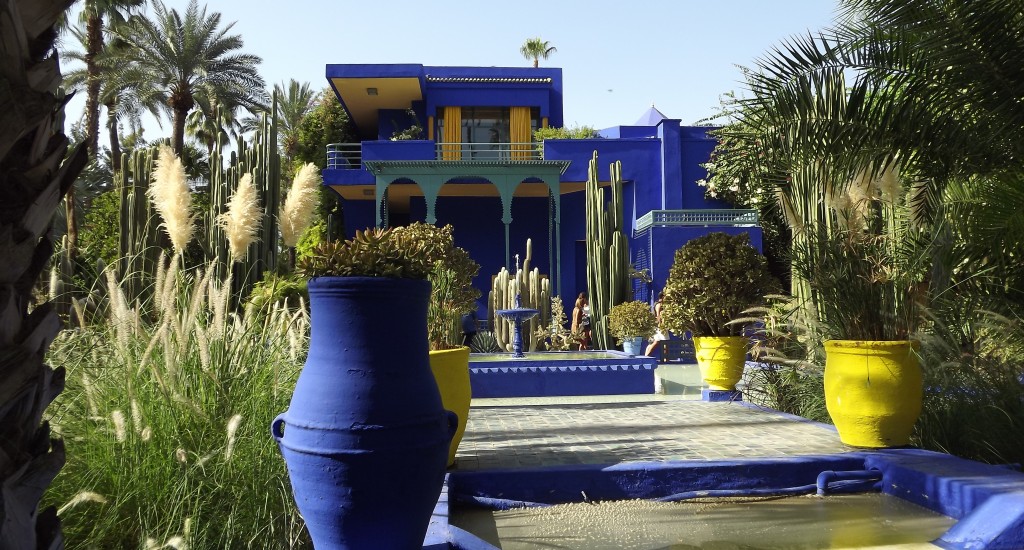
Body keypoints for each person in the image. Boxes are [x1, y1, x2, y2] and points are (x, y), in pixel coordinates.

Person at [645, 292, 668, 358]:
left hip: (658, 326)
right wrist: (661, 326)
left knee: (656, 342)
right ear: (663, 297)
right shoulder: (659, 305)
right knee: (665, 343)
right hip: (660, 326)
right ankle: (666, 359)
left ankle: (646, 356)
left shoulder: (660, 304)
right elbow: (658, 315)